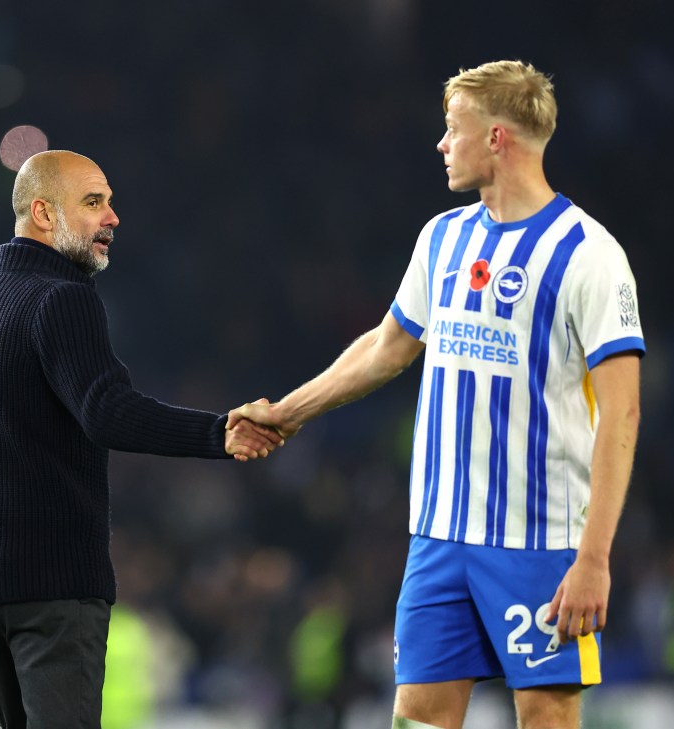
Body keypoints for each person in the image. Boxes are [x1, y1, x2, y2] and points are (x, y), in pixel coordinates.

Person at [228, 60, 644, 729]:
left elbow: (622, 412)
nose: (442, 144)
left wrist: (593, 557)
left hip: (538, 542)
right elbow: (387, 346)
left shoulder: (590, 255)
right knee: (417, 717)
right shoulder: (443, 238)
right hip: (439, 538)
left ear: (498, 138)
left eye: (454, 129)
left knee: (545, 717)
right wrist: (286, 412)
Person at [0, 150, 283, 729]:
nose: (113, 218)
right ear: (44, 213)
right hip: (48, 586)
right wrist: (217, 433)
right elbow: (106, 411)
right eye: (94, 202)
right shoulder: (62, 297)